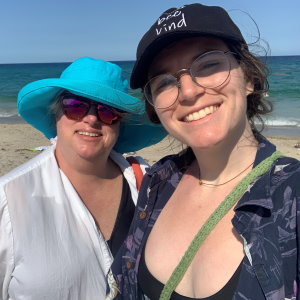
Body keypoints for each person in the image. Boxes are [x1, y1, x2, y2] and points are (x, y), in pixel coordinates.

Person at [107, 4, 300, 300]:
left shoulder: (291, 197)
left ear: (248, 78)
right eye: (164, 82)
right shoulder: (157, 182)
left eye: (209, 65)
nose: (187, 92)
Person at [0, 57, 166, 300]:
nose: (92, 118)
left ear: (119, 125)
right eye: (75, 105)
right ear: (56, 115)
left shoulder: (147, 184)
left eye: (107, 111)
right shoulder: (9, 198)